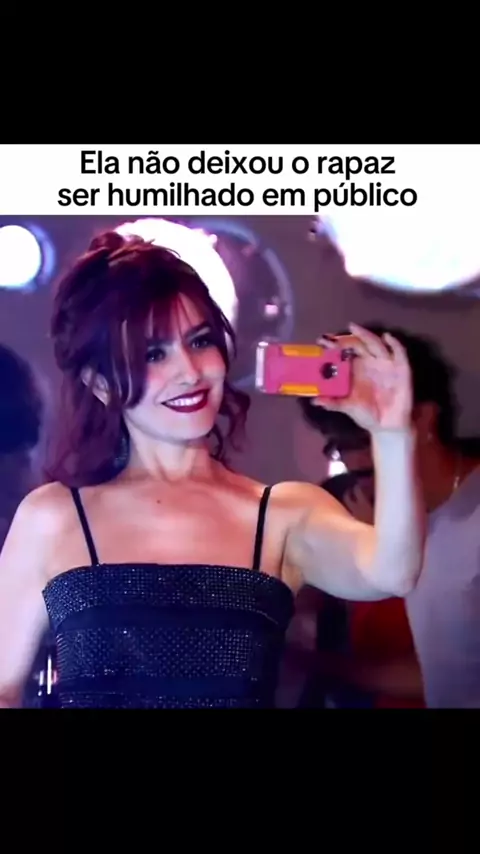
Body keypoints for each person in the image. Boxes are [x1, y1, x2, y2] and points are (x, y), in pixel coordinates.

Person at [0, 234, 424, 709]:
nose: (189, 371)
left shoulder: (281, 513)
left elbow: (393, 571)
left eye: (200, 341)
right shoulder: (53, 516)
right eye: (153, 354)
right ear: (101, 384)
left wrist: (392, 434)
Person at [299, 324, 480, 708]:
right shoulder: (349, 502)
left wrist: (317, 665)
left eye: (364, 438)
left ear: (424, 419)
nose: (355, 460)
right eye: (340, 446)